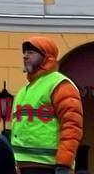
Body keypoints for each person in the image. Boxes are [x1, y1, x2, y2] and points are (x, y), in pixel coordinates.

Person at [11, 36, 83, 174]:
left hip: (48, 167)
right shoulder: (23, 91)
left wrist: (64, 164)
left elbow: (72, 127)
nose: (25, 56)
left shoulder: (60, 85)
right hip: (23, 166)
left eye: (31, 52)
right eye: (24, 52)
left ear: (46, 57)